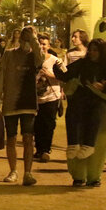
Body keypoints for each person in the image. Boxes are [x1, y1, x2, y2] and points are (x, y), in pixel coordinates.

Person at [53, 39, 106, 186]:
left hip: (99, 105)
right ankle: (75, 150)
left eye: (95, 50)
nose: (92, 53)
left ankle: (92, 170)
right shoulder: (82, 63)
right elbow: (67, 74)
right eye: (90, 50)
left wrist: (104, 85)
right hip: (81, 101)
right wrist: (57, 68)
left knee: (97, 143)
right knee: (74, 121)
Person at [0, 26, 44, 186]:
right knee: (11, 138)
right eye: (25, 39)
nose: (27, 43)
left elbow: (41, 59)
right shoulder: (9, 54)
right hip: (11, 101)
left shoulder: (34, 57)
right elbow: (1, 75)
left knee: (28, 138)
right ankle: (13, 170)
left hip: (28, 101)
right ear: (20, 39)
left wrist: (34, 39)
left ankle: (27, 173)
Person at [34, 33, 63, 163]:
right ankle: (39, 149)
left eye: (44, 44)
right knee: (37, 124)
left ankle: (46, 149)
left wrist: (51, 75)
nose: (42, 46)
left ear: (49, 45)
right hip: (36, 97)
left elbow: (64, 76)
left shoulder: (55, 60)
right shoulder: (33, 60)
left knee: (49, 124)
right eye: (40, 44)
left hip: (52, 96)